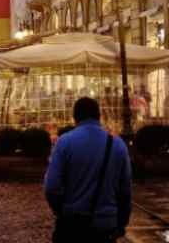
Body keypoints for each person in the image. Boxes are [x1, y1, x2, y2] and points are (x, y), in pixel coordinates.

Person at [44, 97, 131, 242]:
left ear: (75, 118)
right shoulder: (117, 145)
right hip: (105, 226)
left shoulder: (65, 142)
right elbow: (125, 191)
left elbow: (51, 187)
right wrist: (121, 223)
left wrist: (61, 211)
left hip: (73, 224)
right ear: (99, 116)